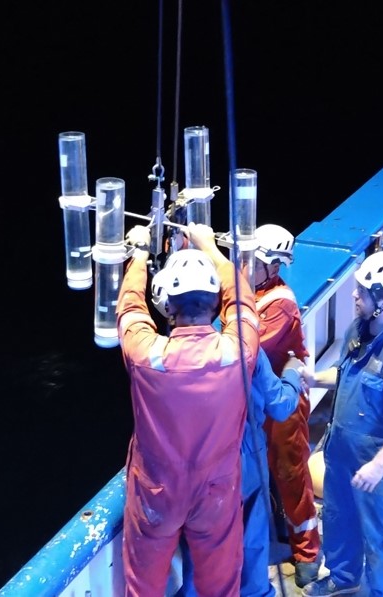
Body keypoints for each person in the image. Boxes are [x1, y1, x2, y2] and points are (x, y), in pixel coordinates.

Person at [117, 223, 259, 597]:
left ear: (167, 305)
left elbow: (130, 307)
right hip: (217, 489)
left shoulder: (147, 354)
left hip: (157, 494)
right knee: (221, 582)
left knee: (143, 584)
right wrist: (210, 248)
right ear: (213, 302)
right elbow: (242, 301)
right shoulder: (237, 351)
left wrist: (140, 256)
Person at [151, 267, 306, 597]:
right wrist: (293, 373)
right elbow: (280, 405)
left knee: (201, 549)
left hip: (199, 475)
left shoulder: (161, 362)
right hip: (248, 465)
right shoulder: (245, 349)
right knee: (252, 542)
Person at [302, 250, 383, 597]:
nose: (354, 295)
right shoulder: (360, 330)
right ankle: (344, 578)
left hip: (379, 470)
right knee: (339, 520)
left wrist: (377, 465)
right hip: (343, 456)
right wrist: (313, 379)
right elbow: (346, 375)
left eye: (362, 291)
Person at [249, 224, 323, 588]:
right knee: (260, 474)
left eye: (253, 260)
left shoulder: (280, 303)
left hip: (285, 405)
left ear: (273, 267)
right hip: (258, 403)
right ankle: (273, 536)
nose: (243, 265)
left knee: (291, 477)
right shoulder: (253, 290)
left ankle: (307, 554)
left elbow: (247, 349)